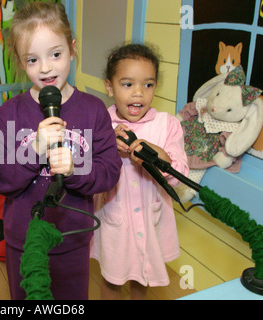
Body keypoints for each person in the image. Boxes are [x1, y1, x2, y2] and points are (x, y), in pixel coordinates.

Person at [0, 2, 122, 300]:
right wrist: (34, 150)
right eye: (32, 60)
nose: (45, 68)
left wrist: (75, 169)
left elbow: (110, 172)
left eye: (56, 54)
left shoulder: (93, 110)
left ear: (72, 49)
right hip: (24, 241)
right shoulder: (9, 113)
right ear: (20, 62)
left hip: (72, 239)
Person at [90, 44, 189, 300]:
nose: (138, 93)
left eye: (148, 85)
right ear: (110, 87)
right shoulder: (100, 124)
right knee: (111, 279)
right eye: (127, 84)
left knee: (142, 275)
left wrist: (159, 158)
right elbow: (84, 167)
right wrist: (107, 146)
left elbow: (179, 175)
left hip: (150, 216)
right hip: (113, 218)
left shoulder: (167, 125)